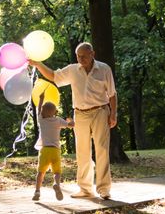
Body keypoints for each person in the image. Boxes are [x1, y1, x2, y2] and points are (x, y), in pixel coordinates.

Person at [29, 42, 117, 200]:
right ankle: (85, 189)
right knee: (82, 151)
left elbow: (112, 94)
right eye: (78, 56)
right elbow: (53, 76)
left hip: (100, 112)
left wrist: (113, 115)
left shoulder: (104, 69)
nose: (80, 59)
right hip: (80, 114)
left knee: (102, 149)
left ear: (92, 54)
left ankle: (104, 189)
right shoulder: (72, 70)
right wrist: (38, 64)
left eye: (83, 56)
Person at [32, 91, 74, 201]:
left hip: (44, 151)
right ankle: (56, 184)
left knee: (40, 172)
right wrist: (71, 120)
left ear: (43, 112)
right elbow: (71, 125)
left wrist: (41, 99)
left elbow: (38, 110)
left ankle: (37, 191)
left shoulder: (42, 120)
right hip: (55, 151)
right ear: (54, 112)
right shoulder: (58, 120)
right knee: (57, 172)